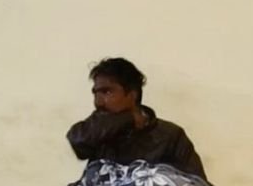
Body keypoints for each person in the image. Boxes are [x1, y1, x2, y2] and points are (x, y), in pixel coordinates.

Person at [66, 57, 207, 179]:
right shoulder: (99, 128)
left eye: (107, 92)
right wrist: (127, 119)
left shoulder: (170, 136)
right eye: (95, 93)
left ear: (132, 95)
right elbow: (79, 142)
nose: (98, 102)